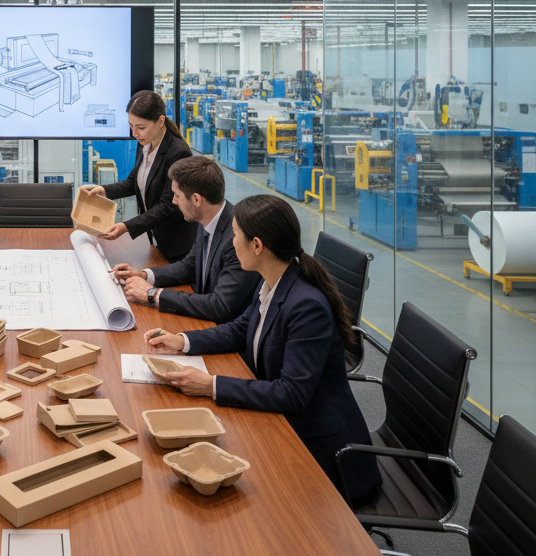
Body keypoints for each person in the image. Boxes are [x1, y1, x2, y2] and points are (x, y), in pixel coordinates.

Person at [145, 194, 381, 501]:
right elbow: (241, 328)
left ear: (257, 245)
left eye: (235, 235)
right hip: (284, 423)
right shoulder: (273, 279)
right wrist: (183, 341)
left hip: (321, 451)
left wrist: (210, 385)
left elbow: (291, 394)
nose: (231, 243)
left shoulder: (306, 307)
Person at [111, 155, 258, 323]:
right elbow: (190, 266)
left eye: (176, 195)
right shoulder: (208, 218)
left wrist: (153, 294)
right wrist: (143, 275)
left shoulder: (237, 239)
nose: (174, 201)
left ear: (196, 199)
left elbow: (220, 306)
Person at [80, 90, 194, 262]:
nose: (135, 133)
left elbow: (168, 206)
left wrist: (126, 226)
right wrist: (102, 190)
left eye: (141, 128)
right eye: (131, 126)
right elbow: (134, 181)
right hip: (155, 238)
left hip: (175, 244)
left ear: (160, 121)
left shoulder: (178, 153)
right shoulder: (145, 143)